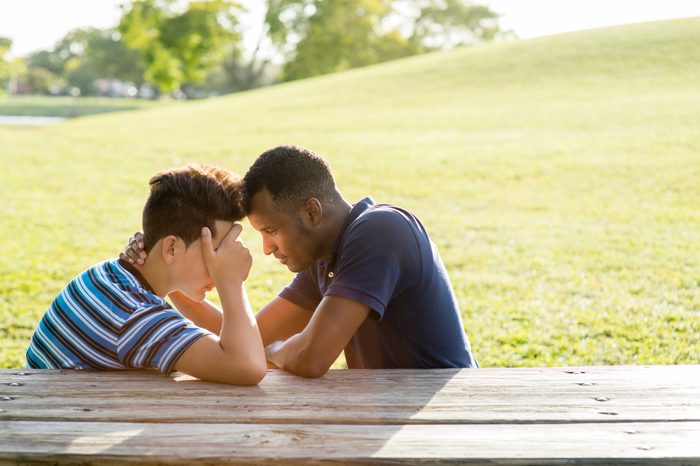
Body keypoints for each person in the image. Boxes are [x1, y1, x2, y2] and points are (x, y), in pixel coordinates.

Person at [123, 145, 478, 378]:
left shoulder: (381, 230)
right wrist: (167, 279)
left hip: (450, 417)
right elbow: (249, 338)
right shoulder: (322, 260)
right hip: (389, 414)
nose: (266, 248)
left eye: (271, 230)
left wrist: (274, 350)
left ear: (311, 212)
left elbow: (310, 358)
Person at [27, 164, 267, 385]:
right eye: (215, 252)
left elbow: (235, 345)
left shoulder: (113, 276)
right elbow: (248, 367)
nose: (221, 263)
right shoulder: (134, 317)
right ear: (171, 248)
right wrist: (230, 281)